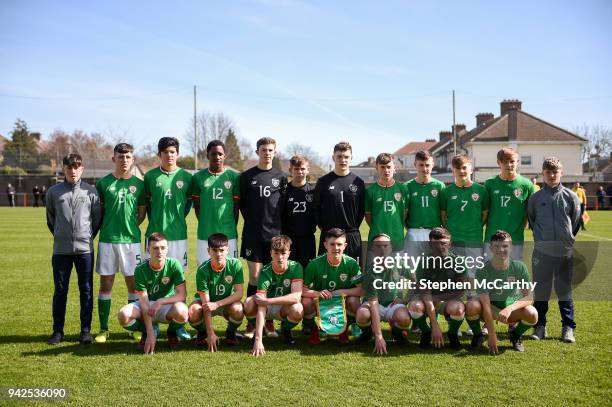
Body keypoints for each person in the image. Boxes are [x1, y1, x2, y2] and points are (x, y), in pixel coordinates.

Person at [45, 153, 102, 345]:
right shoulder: (53, 192)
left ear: (82, 169)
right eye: (69, 167)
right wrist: (62, 235)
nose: (73, 170)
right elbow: (51, 220)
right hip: (61, 250)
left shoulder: (91, 192)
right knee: (60, 289)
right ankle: (57, 331)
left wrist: (85, 237)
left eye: (77, 166)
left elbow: (96, 220)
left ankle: (85, 331)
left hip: (85, 249)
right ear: (64, 169)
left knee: (86, 289)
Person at [94, 143, 147, 343]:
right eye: (120, 156)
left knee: (133, 285)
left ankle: (134, 327)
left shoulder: (139, 185)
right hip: (107, 240)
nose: (124, 160)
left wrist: (130, 226)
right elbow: (98, 213)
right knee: (105, 284)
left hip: (131, 241)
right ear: (113, 158)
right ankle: (103, 329)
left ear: (132, 159)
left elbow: (141, 213)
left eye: (128, 157)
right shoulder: (103, 183)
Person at [143, 137, 193, 340]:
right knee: (150, 278)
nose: (169, 155)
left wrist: (177, 219)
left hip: (178, 236)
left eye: (173, 152)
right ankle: (151, 323)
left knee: (177, 280)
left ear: (178, 154)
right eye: (165, 152)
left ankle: (178, 325)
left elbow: (188, 205)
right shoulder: (150, 177)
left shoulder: (187, 177)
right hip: (154, 237)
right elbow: (146, 206)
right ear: (159, 155)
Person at [528, 157, 581, 343]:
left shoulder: (571, 196)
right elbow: (533, 222)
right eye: (548, 172)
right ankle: (540, 326)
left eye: (555, 172)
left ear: (561, 173)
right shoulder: (535, 198)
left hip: (563, 251)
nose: (552, 175)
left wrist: (566, 239)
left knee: (564, 290)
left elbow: (575, 221)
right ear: (543, 174)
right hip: (542, 252)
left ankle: (568, 327)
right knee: (541, 290)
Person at [240, 137, 287, 337]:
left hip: (274, 236)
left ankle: (268, 321)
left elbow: (283, 207)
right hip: (252, 234)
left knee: (271, 279)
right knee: (255, 277)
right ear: (257, 151)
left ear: (275, 152)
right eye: (263, 149)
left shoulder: (281, 177)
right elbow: (242, 205)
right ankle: (251, 323)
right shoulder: (246, 176)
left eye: (270, 150)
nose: (267, 153)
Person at [466, 230, 538, 353]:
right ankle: (478, 335)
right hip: (491, 308)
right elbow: (486, 304)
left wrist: (510, 308)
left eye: (505, 246)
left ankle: (515, 335)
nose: (501, 250)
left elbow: (529, 297)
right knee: (471, 306)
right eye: (497, 246)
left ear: (511, 247)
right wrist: (492, 334)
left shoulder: (519, 267)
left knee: (532, 314)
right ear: (491, 248)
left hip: (510, 310)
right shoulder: (483, 270)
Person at [117, 232, 189, 354]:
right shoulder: (140, 269)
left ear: (167, 249)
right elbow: (144, 303)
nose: (159, 251)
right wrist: (150, 334)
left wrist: (161, 301)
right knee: (123, 315)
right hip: (146, 305)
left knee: (183, 311)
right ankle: (147, 330)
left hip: (165, 305)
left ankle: (171, 332)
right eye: (155, 248)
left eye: (162, 248)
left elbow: (182, 295)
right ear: (148, 250)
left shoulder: (174, 264)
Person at [408, 227, 468, 350]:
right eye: (436, 243)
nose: (440, 247)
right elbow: (425, 293)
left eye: (443, 243)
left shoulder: (458, 261)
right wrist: (435, 326)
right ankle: (426, 332)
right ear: (430, 244)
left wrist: (437, 298)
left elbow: (461, 290)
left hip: (448, 298)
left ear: (450, 244)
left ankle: (452, 333)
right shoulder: (424, 260)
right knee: (415, 306)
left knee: (458, 309)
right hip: (427, 298)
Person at [302, 228, 363, 345]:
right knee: (305, 302)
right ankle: (315, 330)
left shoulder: (352, 264)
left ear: (345, 245)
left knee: (354, 302)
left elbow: (362, 289)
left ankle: (344, 329)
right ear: (325, 245)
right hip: (320, 300)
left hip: (343, 299)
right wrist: (318, 294)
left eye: (339, 244)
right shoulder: (314, 264)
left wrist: (341, 292)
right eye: (332, 244)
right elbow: (301, 289)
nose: (336, 248)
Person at [246, 235, 304, 356]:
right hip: (267, 308)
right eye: (276, 253)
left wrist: (268, 301)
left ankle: (285, 330)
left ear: (289, 253)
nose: (280, 257)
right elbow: (261, 305)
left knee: (298, 308)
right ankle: (258, 330)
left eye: (283, 253)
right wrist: (258, 340)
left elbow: (296, 297)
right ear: (271, 253)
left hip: (283, 307)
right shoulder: (265, 271)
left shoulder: (296, 267)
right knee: (249, 303)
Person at [188, 233, 244, 351]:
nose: (218, 254)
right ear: (208, 251)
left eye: (222, 250)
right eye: (214, 250)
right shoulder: (203, 270)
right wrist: (210, 333)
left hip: (225, 303)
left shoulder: (235, 265)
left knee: (238, 309)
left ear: (227, 250)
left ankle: (231, 332)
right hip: (206, 303)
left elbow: (239, 294)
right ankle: (203, 333)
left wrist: (217, 304)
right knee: (192, 311)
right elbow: (206, 304)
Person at [356, 234, 411, 354]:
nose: (382, 249)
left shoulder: (400, 263)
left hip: (393, 304)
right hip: (375, 306)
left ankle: (397, 333)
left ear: (391, 247)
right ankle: (367, 333)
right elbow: (374, 305)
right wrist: (379, 336)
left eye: (385, 246)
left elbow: (417, 281)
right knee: (362, 315)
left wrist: (406, 299)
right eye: (378, 246)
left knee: (404, 319)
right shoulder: (371, 272)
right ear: (373, 249)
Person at [313, 141, 365, 262]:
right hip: (329, 236)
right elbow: (316, 209)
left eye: (346, 157)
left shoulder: (358, 182)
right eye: (339, 156)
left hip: (351, 236)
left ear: (351, 158)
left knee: (354, 276)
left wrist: (352, 227)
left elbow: (361, 210)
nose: (343, 160)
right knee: (327, 275)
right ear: (333, 158)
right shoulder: (323, 182)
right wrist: (326, 229)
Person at [192, 140, 240, 265]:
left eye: (220, 154)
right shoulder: (198, 177)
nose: (217, 157)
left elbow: (236, 208)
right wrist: (206, 221)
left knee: (230, 272)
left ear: (225, 156)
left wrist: (230, 226)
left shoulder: (235, 177)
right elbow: (197, 207)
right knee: (204, 271)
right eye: (213, 154)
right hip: (205, 234)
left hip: (228, 234)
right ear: (208, 156)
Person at [484, 148, 535, 260]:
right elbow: (484, 211)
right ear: (499, 163)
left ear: (517, 162)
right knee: (490, 274)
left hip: (515, 239)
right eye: (505, 161)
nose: (509, 165)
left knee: (513, 274)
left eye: (512, 161)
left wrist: (521, 227)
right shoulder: (489, 184)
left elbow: (529, 212)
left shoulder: (527, 185)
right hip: (491, 239)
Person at [403, 150, 445, 255]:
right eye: (421, 165)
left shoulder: (440, 186)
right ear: (415, 165)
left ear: (433, 165)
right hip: (413, 232)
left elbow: (443, 213)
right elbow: (403, 213)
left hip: (434, 233)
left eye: (427, 165)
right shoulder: (407, 186)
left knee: (432, 267)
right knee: (411, 267)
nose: (424, 168)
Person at [364, 153, 408, 249]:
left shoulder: (403, 189)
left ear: (394, 168)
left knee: (398, 264)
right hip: (376, 239)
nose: (386, 170)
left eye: (389, 167)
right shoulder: (370, 191)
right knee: (376, 264)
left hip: (397, 237)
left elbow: (404, 214)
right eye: (382, 167)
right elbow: (368, 218)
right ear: (377, 168)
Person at [282, 154, 316, 270]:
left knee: (307, 272)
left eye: (302, 169)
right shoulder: (284, 191)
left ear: (308, 170)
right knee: (289, 272)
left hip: (308, 239)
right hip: (288, 239)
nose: (299, 172)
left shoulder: (313, 192)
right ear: (290, 170)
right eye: (296, 169)